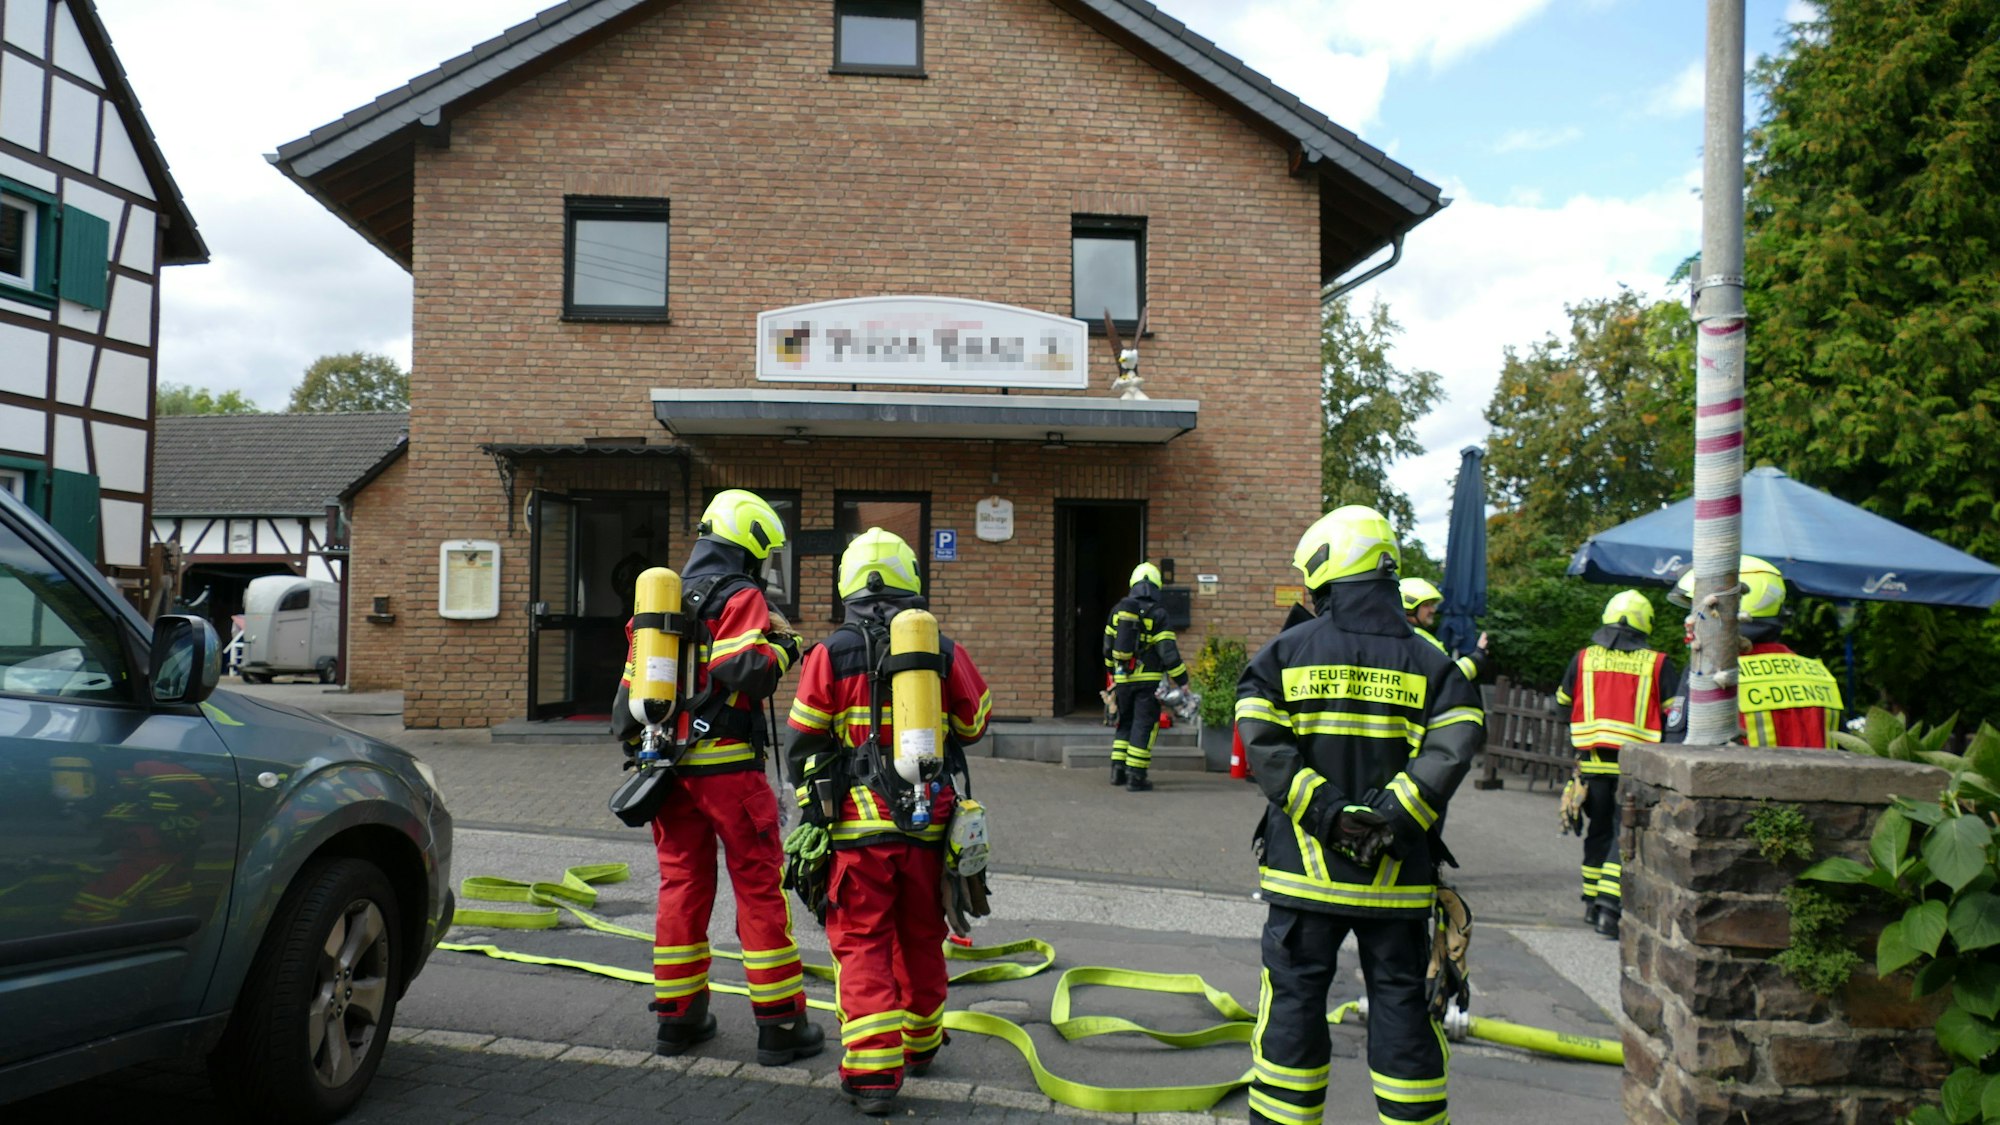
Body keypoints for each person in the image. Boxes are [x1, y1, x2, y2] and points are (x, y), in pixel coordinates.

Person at [1237, 506, 1484, 1125]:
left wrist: (1326, 814)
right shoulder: (1435, 663)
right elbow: (1456, 744)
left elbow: (1260, 739)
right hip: (1396, 881)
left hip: (1303, 880)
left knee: (1292, 1008)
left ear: (1325, 571)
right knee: (1403, 1010)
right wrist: (1393, 818)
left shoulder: (1285, 652)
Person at [785, 528, 993, 1115]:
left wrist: (813, 813)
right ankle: (921, 1045)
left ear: (848, 587)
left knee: (862, 945)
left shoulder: (829, 653)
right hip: (930, 832)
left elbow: (803, 742)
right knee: (923, 936)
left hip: (857, 837)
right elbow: (975, 725)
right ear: (913, 586)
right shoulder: (943, 650)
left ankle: (873, 1074)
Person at [611, 489, 823, 1064]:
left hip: (669, 772)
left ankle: (679, 1020)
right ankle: (780, 1026)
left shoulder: (660, 603)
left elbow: (622, 709)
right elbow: (743, 670)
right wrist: (786, 645)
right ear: (750, 545)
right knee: (758, 889)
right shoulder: (740, 594)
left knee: (681, 887)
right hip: (730, 772)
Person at [1555, 589, 1677, 939]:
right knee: (1622, 837)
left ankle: (1592, 904)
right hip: (1635, 771)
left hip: (1592, 768)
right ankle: (1610, 910)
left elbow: (1561, 705)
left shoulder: (1583, 659)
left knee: (1598, 834)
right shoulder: (1658, 663)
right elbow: (1675, 715)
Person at [1663, 556, 1842, 748]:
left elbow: (1678, 749)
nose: (1693, 621)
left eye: (1703, 610)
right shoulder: (1819, 674)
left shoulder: (1710, 670)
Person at [1102, 561, 1190, 792]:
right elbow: (1167, 652)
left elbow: (1107, 647)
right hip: (1148, 683)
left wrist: (1113, 674)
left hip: (1122, 681)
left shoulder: (1117, 611)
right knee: (1143, 726)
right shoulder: (1158, 613)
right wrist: (1182, 680)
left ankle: (1117, 772)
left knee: (1124, 724)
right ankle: (1136, 777)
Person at [1398, 576, 1489, 681]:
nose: (1432, 610)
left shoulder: (1393, 637)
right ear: (1408, 608)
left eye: (1432, 605)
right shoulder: (1420, 641)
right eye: (1426, 605)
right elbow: (1450, 677)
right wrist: (1478, 656)